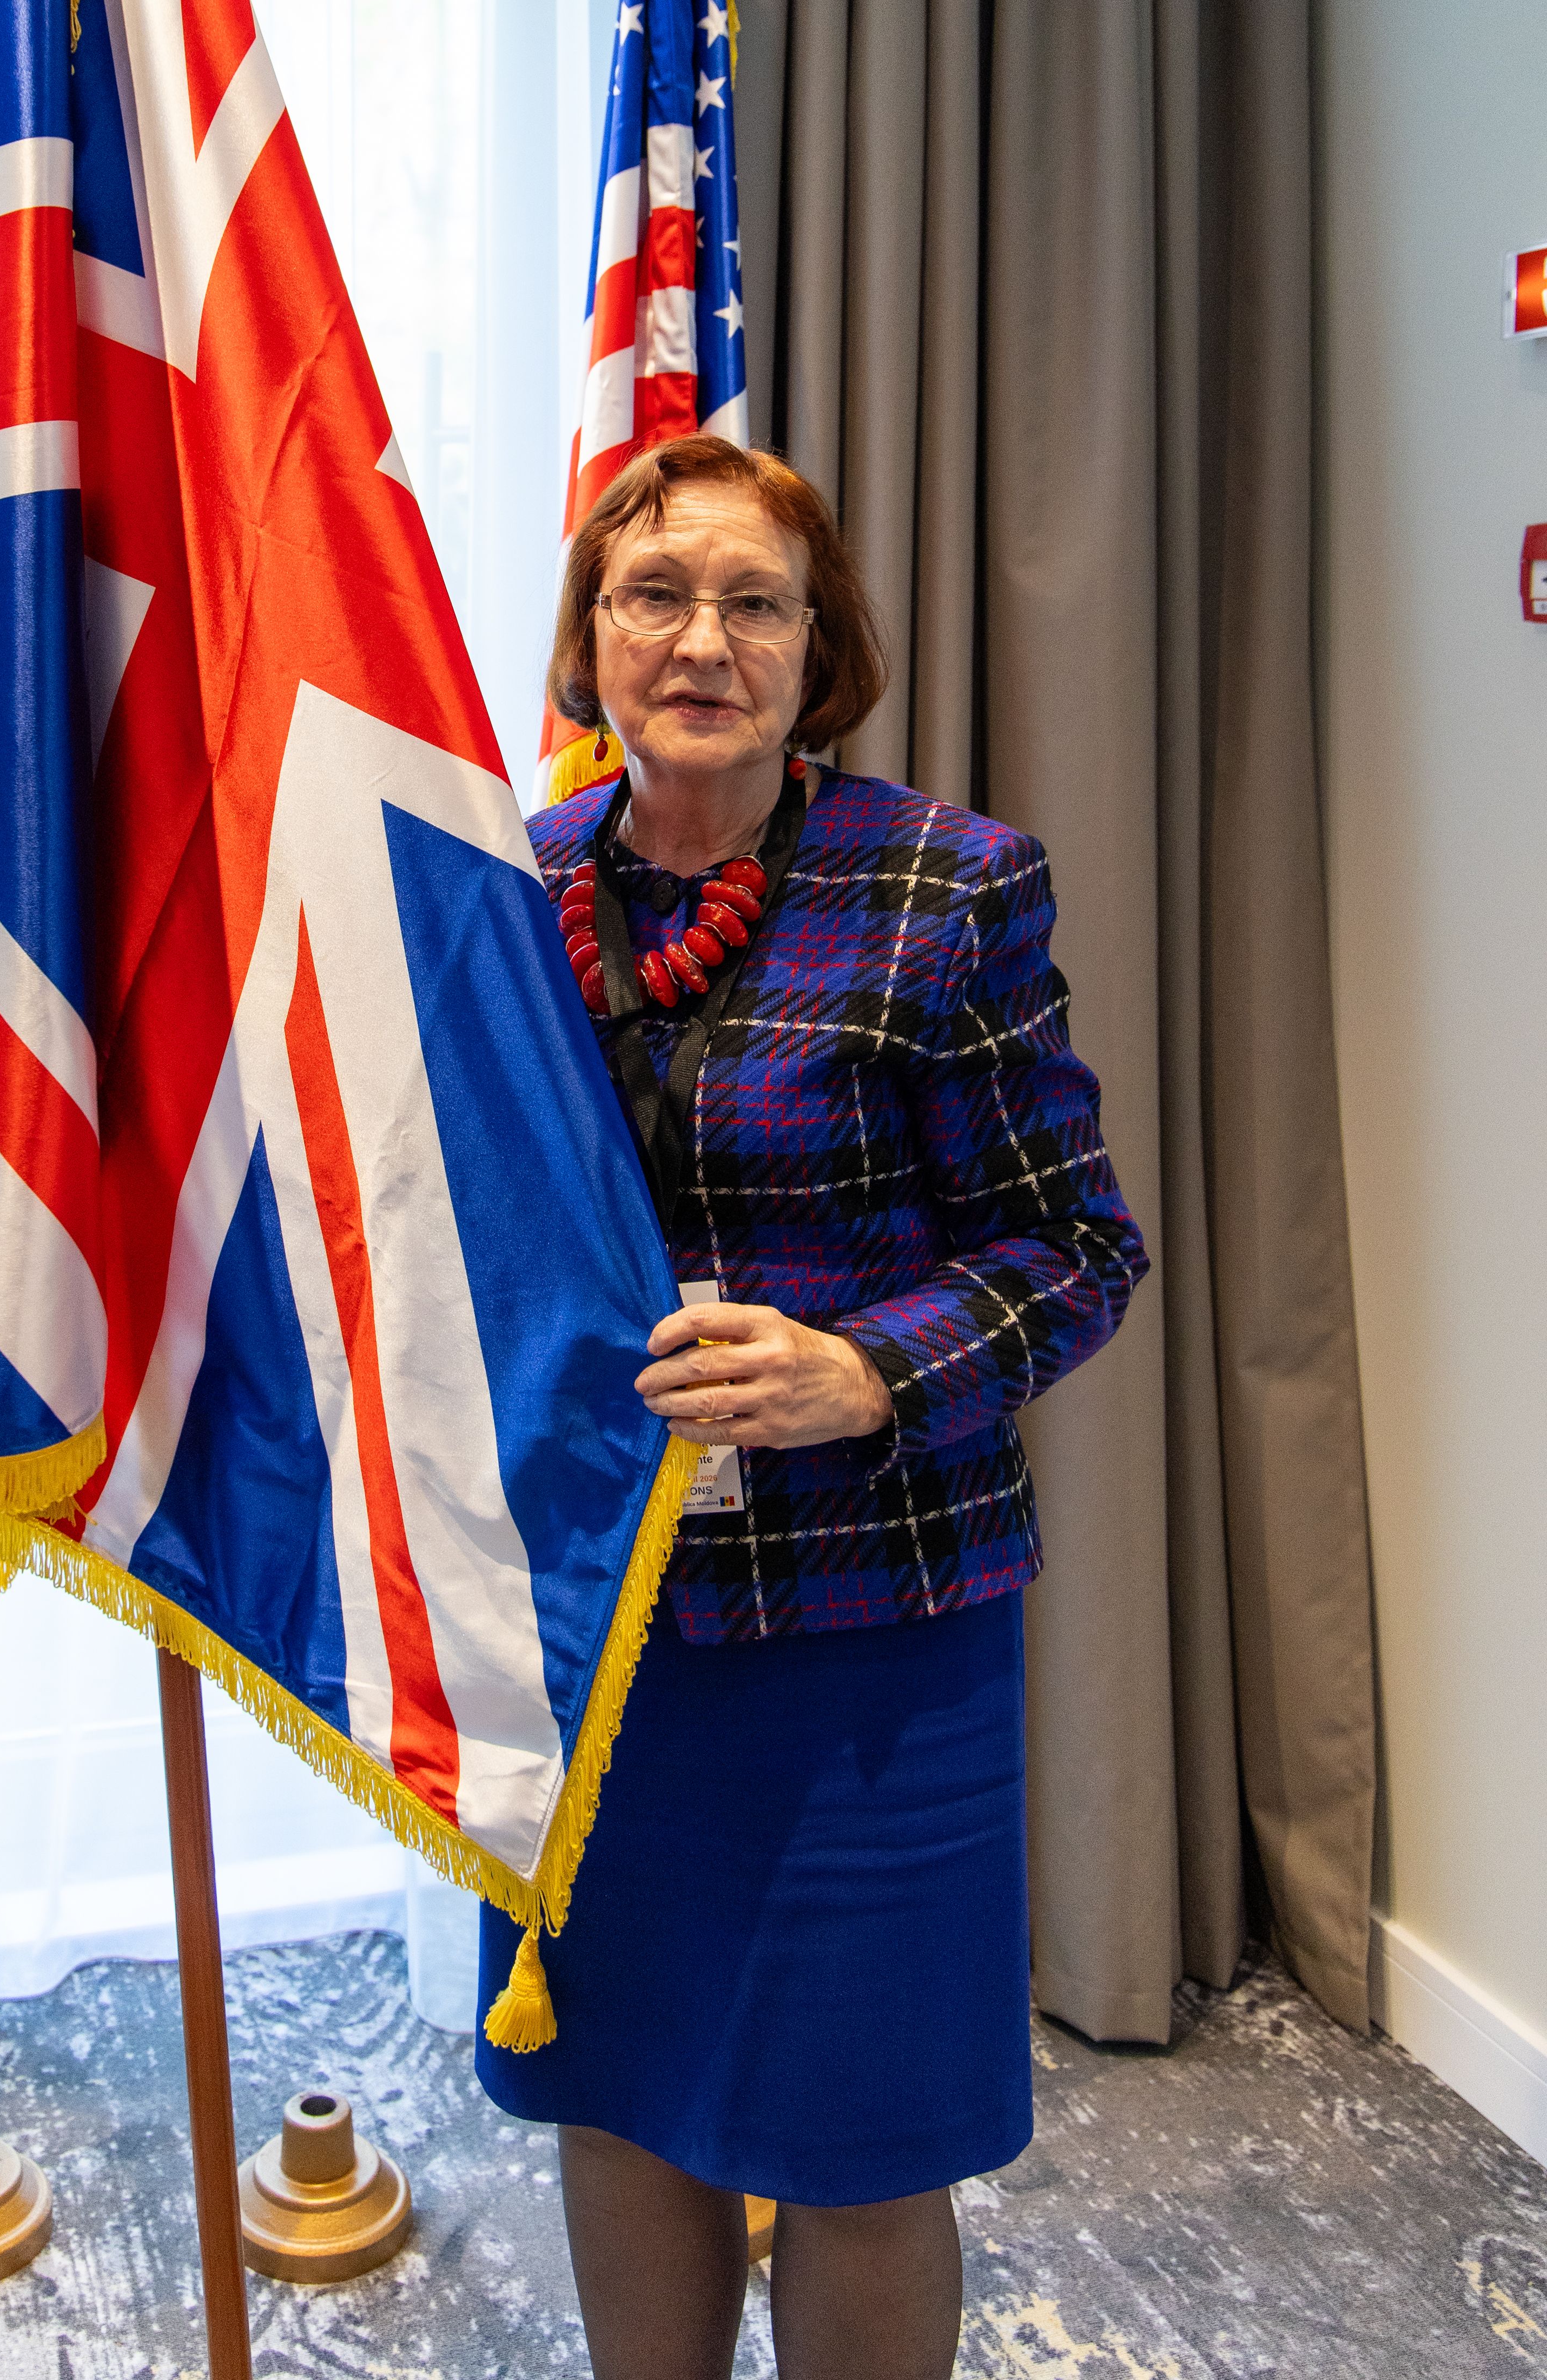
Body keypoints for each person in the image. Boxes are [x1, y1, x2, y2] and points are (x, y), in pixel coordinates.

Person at [478, 434, 1146, 2380]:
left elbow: (1077, 1250)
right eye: (654, 596)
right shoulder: (508, 894)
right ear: (591, 638)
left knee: (863, 2142)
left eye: (753, 603)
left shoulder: (947, 884)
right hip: (593, 1630)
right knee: (620, 2088)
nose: (702, 642)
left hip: (874, 1636)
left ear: (817, 647)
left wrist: (864, 1372)